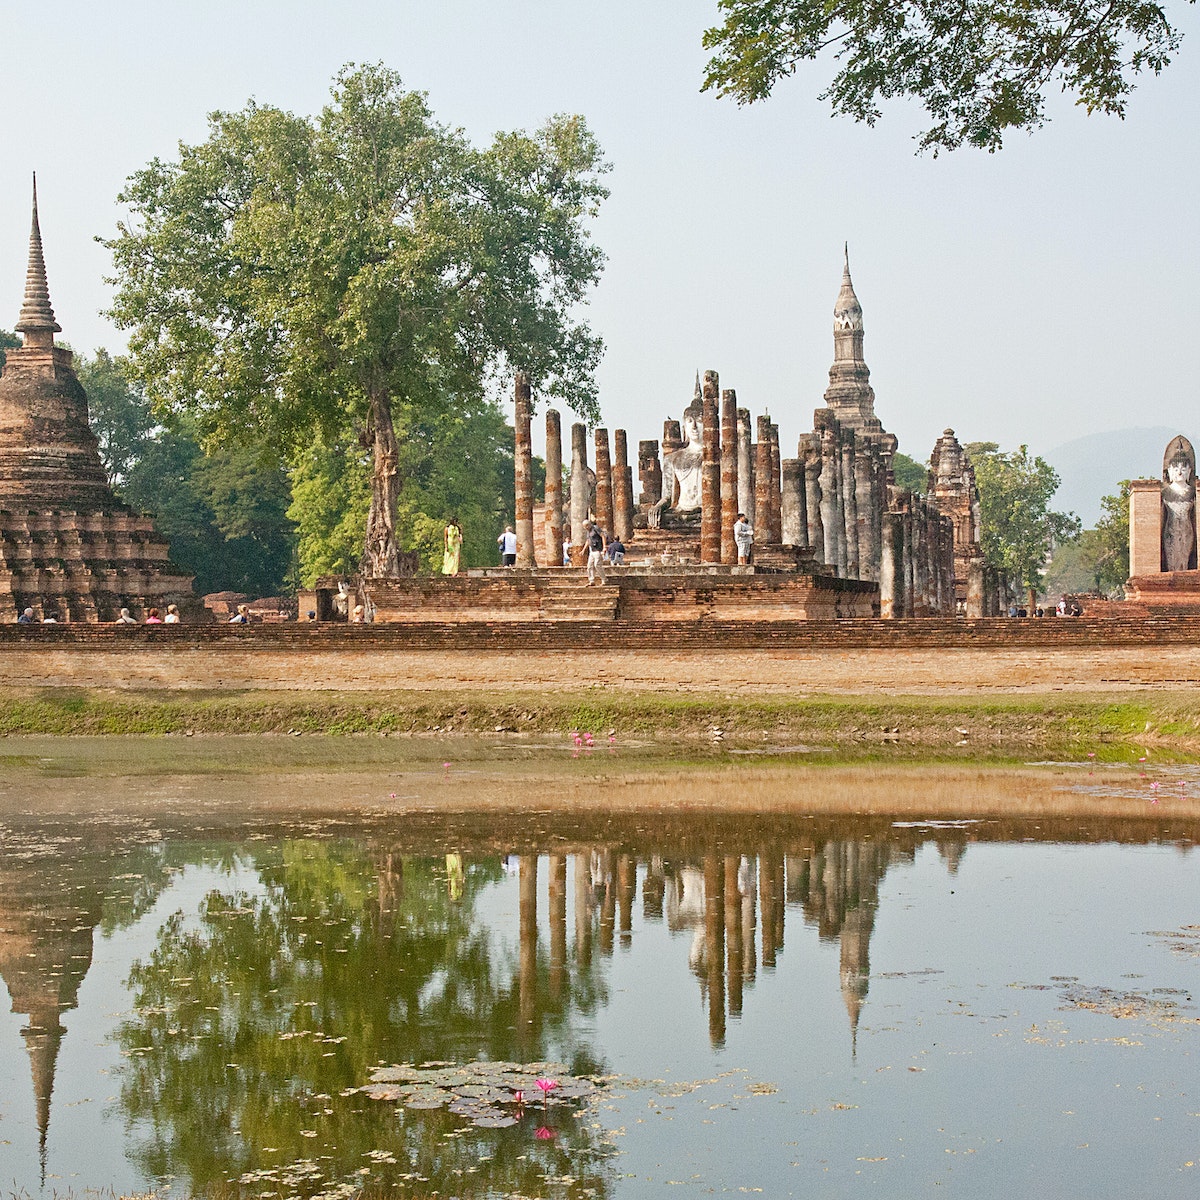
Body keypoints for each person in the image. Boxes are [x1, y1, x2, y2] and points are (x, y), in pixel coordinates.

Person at [585, 521, 606, 585]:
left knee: (597, 565)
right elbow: (588, 541)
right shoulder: (588, 532)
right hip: (592, 551)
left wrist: (604, 547)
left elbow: (603, 536)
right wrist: (583, 550)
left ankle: (604, 579)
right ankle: (591, 580)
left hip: (598, 550)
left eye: (586, 526)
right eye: (584, 526)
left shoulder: (596, 528)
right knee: (589, 566)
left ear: (589, 525)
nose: (585, 527)